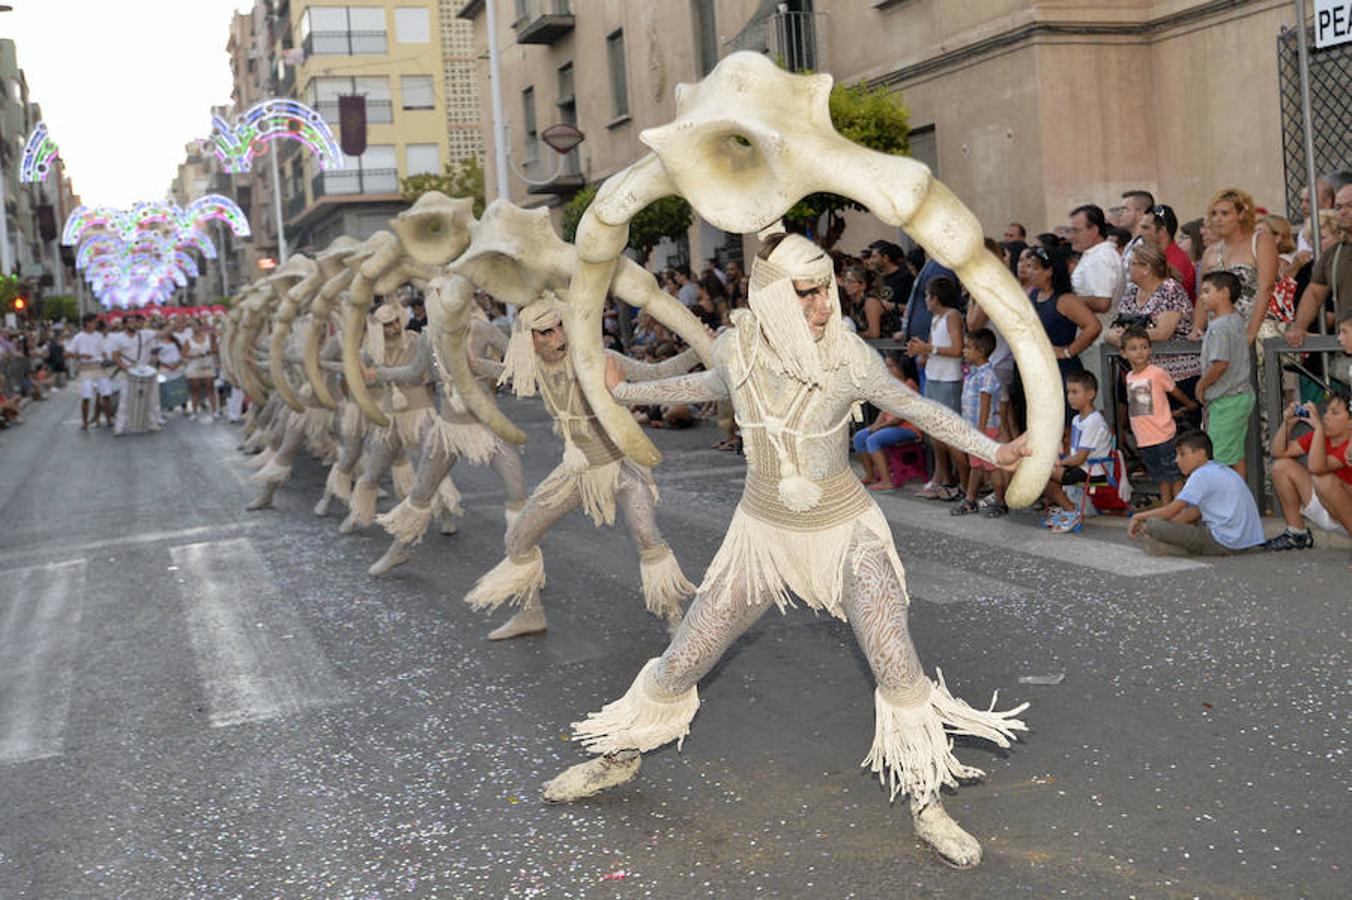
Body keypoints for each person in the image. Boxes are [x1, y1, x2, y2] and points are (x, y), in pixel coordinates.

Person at [547, 232, 1033, 869]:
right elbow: (706, 384)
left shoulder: (849, 358)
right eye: (807, 295)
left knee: (896, 661)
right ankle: (620, 758)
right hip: (763, 538)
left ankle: (927, 801)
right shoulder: (738, 347)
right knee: (683, 657)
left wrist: (995, 451)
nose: (824, 307)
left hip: (847, 533)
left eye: (826, 291)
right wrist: (624, 394)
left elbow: (915, 406)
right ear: (774, 296)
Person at [463, 298, 701, 640]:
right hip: (575, 470)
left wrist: (698, 348)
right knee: (517, 537)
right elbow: (505, 372)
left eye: (560, 326)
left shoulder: (597, 359)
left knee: (649, 538)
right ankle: (531, 614)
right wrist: (471, 363)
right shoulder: (533, 367)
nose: (558, 336)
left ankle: (676, 619)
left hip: (619, 467)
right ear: (531, 339)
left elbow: (655, 374)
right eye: (547, 331)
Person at [1127, 430, 1265, 556]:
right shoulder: (1220, 469)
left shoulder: (1200, 475)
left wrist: (1138, 517)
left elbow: (1170, 511)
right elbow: (1194, 512)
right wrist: (1170, 528)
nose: (1177, 460)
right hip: (1245, 543)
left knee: (1154, 525)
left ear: (1200, 454)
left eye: (1182, 454)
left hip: (1223, 542)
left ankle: (1168, 547)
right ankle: (1165, 546)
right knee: (1159, 532)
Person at [1106, 243, 1199, 423]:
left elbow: (1164, 332)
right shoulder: (1131, 292)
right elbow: (1112, 330)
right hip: (1139, 374)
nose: (1127, 268)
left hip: (1176, 376)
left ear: (1146, 268)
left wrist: (1126, 338)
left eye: (1132, 264)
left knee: (1174, 431)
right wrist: (1118, 338)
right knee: (1145, 428)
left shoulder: (1170, 289)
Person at [1265, 393, 1352, 551]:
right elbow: (1278, 452)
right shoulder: (1322, 435)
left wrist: (1318, 428)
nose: (1326, 417)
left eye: (1335, 413)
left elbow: (1316, 468)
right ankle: (1297, 533)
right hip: (1329, 510)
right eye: (1326, 412)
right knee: (1281, 466)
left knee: (1323, 480)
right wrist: (1288, 424)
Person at [1122, 326, 1199, 503]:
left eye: (1144, 347)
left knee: (1174, 476)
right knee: (1160, 478)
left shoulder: (1156, 372)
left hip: (1164, 435)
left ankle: (1180, 511)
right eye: (1133, 348)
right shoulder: (1129, 377)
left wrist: (1189, 404)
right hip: (1144, 439)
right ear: (1124, 353)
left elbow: (1174, 391)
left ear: (1150, 349)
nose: (1139, 352)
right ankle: (1167, 509)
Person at [907, 276, 966, 500]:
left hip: (948, 380)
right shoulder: (936, 318)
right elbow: (931, 348)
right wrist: (920, 353)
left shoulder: (952, 316)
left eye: (927, 296)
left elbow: (957, 348)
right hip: (933, 378)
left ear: (936, 298)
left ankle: (961, 482)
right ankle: (943, 477)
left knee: (950, 434)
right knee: (935, 434)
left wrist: (928, 349)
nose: (926, 301)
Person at [1195, 271, 1255, 478]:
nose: (1201, 296)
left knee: (1219, 458)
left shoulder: (1220, 326)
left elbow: (1220, 364)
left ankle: (1228, 503)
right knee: (1235, 455)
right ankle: (1240, 503)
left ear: (1224, 293)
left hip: (1226, 399)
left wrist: (1201, 385)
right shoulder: (1235, 320)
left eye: (1207, 291)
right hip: (1239, 395)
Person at [1197, 187, 1277, 344]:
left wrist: (1251, 332)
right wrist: (1197, 327)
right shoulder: (1210, 252)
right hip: (1219, 333)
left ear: (1241, 215)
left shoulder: (1260, 241)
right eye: (1214, 214)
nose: (1218, 219)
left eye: (1224, 213)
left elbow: (1266, 288)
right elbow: (1202, 295)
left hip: (1256, 330)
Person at [1042, 371, 1113, 532]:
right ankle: (1063, 507)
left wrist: (1058, 463)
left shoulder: (1093, 421)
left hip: (1092, 470)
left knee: (1043, 474)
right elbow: (1073, 453)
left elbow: (1080, 458)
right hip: (1079, 467)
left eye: (1075, 392)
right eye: (1068, 392)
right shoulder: (1076, 419)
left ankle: (1072, 511)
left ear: (1090, 394)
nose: (1070, 397)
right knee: (1043, 476)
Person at [1286, 183, 1352, 347]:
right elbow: (1315, 292)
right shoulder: (1333, 254)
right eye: (1338, 207)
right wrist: (1299, 327)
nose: (1343, 211)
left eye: (1350, 205)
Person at [950, 328, 1006, 516]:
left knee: (992, 466)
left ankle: (1000, 501)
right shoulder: (974, 373)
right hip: (975, 428)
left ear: (980, 352)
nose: (964, 351)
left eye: (967, 347)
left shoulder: (987, 375)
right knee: (976, 465)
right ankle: (970, 499)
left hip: (985, 429)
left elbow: (985, 403)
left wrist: (981, 430)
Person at [853, 353, 921, 491]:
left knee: (873, 440)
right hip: (890, 426)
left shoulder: (909, 386)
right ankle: (871, 475)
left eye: (891, 366)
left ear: (901, 367)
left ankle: (886, 480)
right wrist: (875, 425)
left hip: (907, 428)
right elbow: (884, 411)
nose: (887, 370)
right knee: (859, 437)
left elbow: (898, 418)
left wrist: (879, 428)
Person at [67, 313, 113, 431]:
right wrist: (81, 355)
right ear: (87, 323)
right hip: (86, 367)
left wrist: (104, 355)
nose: (96, 324)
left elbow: (104, 350)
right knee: (86, 396)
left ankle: (109, 419)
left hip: (99, 366)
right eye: (94, 322)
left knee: (106, 394)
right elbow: (68, 353)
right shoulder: (79, 337)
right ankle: (85, 422)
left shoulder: (99, 336)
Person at [1140, 203, 1196, 299]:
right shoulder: (1156, 256)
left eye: (1146, 228)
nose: (1140, 233)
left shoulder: (1176, 262)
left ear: (1162, 231)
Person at [183, 319, 219, 419]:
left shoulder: (209, 337)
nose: (195, 328)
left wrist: (208, 352)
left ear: (201, 326)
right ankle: (194, 411)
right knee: (195, 390)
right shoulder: (188, 340)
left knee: (210, 388)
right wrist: (194, 355)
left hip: (207, 365)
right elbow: (184, 353)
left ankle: (214, 411)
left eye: (196, 325)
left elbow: (215, 349)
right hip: (194, 367)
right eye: (192, 326)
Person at [156, 326, 189, 416]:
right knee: (165, 388)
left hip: (178, 366)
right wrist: (167, 366)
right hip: (164, 367)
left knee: (180, 387)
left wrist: (177, 364)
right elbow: (157, 357)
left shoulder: (176, 341)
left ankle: (184, 406)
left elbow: (182, 353)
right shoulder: (157, 343)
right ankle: (168, 405)